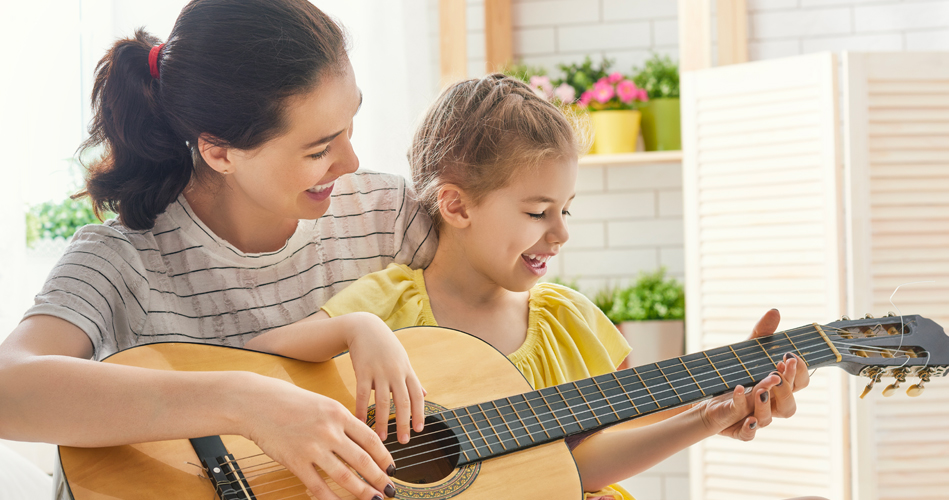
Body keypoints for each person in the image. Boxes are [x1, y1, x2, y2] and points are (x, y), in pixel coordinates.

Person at [247, 74, 813, 499]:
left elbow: (583, 464)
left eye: (566, 208)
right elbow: (253, 363)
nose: (561, 232)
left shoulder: (571, 321)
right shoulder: (389, 302)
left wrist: (708, 416)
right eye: (539, 211)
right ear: (456, 204)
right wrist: (357, 327)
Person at [0, 1, 435, 499]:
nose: (351, 162)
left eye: (351, 124)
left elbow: (501, 321)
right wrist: (246, 401)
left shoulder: (387, 213)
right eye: (319, 150)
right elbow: (7, 388)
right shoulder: (124, 260)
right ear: (219, 152)